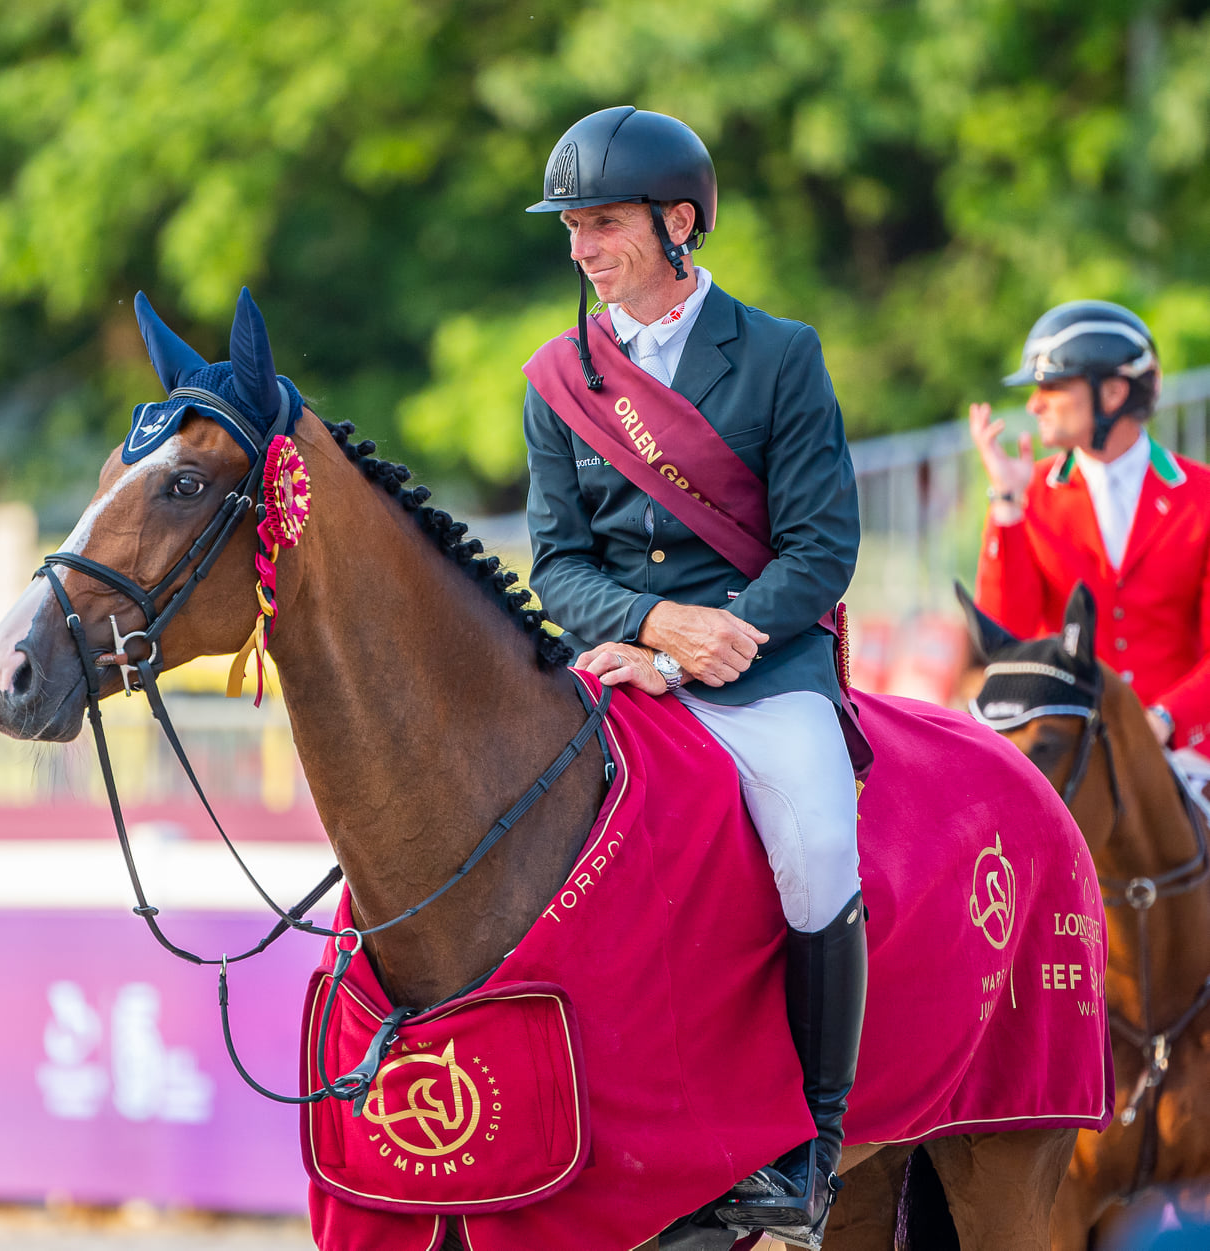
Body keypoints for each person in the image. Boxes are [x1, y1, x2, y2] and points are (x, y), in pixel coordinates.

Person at [521, 106, 863, 1243]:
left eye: (604, 224)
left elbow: (821, 549)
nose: (583, 249)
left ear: (678, 222)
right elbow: (558, 563)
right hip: (622, 661)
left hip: (764, 664)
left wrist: (709, 641)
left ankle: (811, 1150)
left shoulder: (779, 354)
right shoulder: (557, 378)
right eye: (572, 228)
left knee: (817, 846)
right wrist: (654, 628)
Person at [970, 301, 1210, 773]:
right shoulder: (1027, 493)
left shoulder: (1202, 497)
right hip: (1066, 754)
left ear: (1114, 392)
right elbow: (1007, 636)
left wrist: (1165, 718)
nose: (1034, 404)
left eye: (1053, 386)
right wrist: (1007, 506)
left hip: (1181, 754)